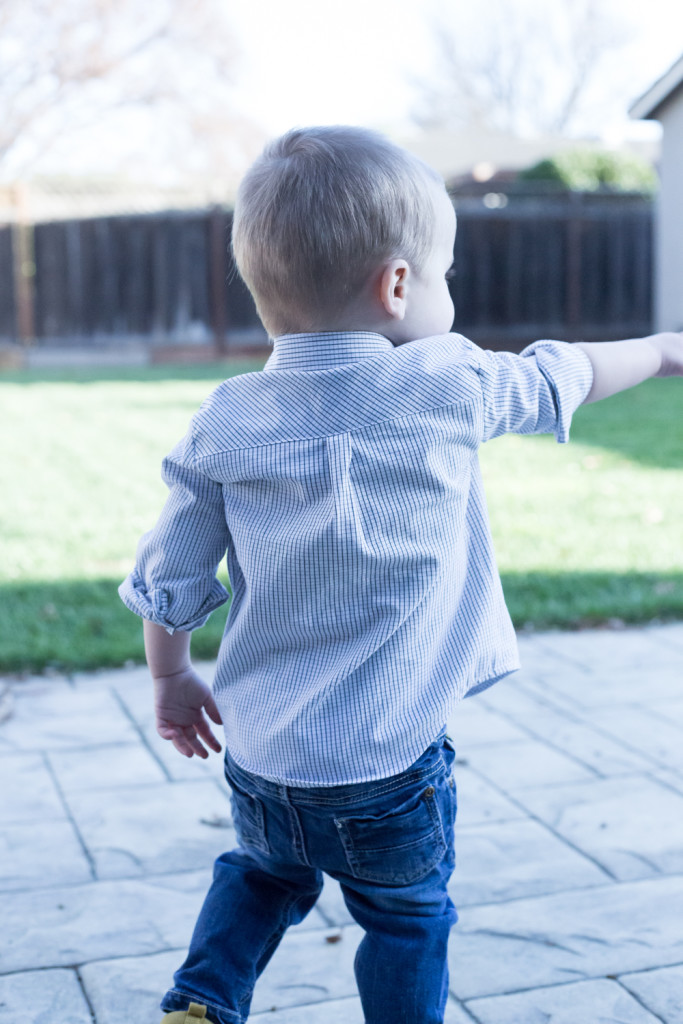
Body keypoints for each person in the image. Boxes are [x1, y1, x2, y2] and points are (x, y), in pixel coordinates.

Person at [119, 125, 683, 1024]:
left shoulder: (225, 420)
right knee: (407, 918)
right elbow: (560, 374)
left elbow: (169, 575)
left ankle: (202, 1000)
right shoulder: (446, 385)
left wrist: (170, 676)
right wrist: (657, 350)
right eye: (444, 273)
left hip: (262, 760)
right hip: (389, 767)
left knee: (262, 875)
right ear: (396, 285)